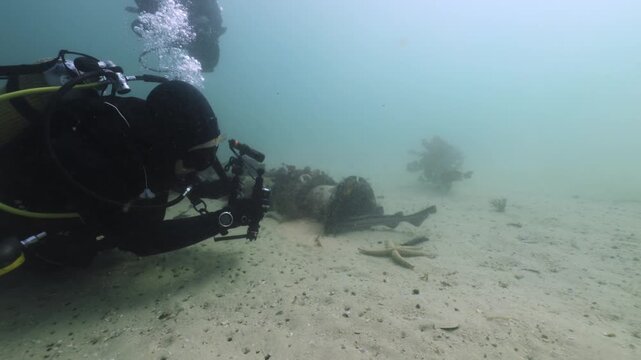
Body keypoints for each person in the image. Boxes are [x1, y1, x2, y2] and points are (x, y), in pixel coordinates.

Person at [0, 51, 268, 276]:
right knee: (66, 261)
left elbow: (169, 173)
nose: (200, 167)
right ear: (171, 145)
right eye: (198, 159)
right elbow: (140, 239)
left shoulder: (145, 135)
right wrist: (229, 218)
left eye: (210, 156)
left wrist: (213, 188)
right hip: (11, 214)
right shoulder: (101, 151)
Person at [266, 165, 436, 234]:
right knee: (353, 219)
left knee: (349, 220)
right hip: (342, 209)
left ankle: (406, 219)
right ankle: (404, 219)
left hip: (340, 210)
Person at [127, 0, 227, 72]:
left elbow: (137, 25)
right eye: (194, 58)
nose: (189, 56)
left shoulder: (184, 39)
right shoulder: (207, 27)